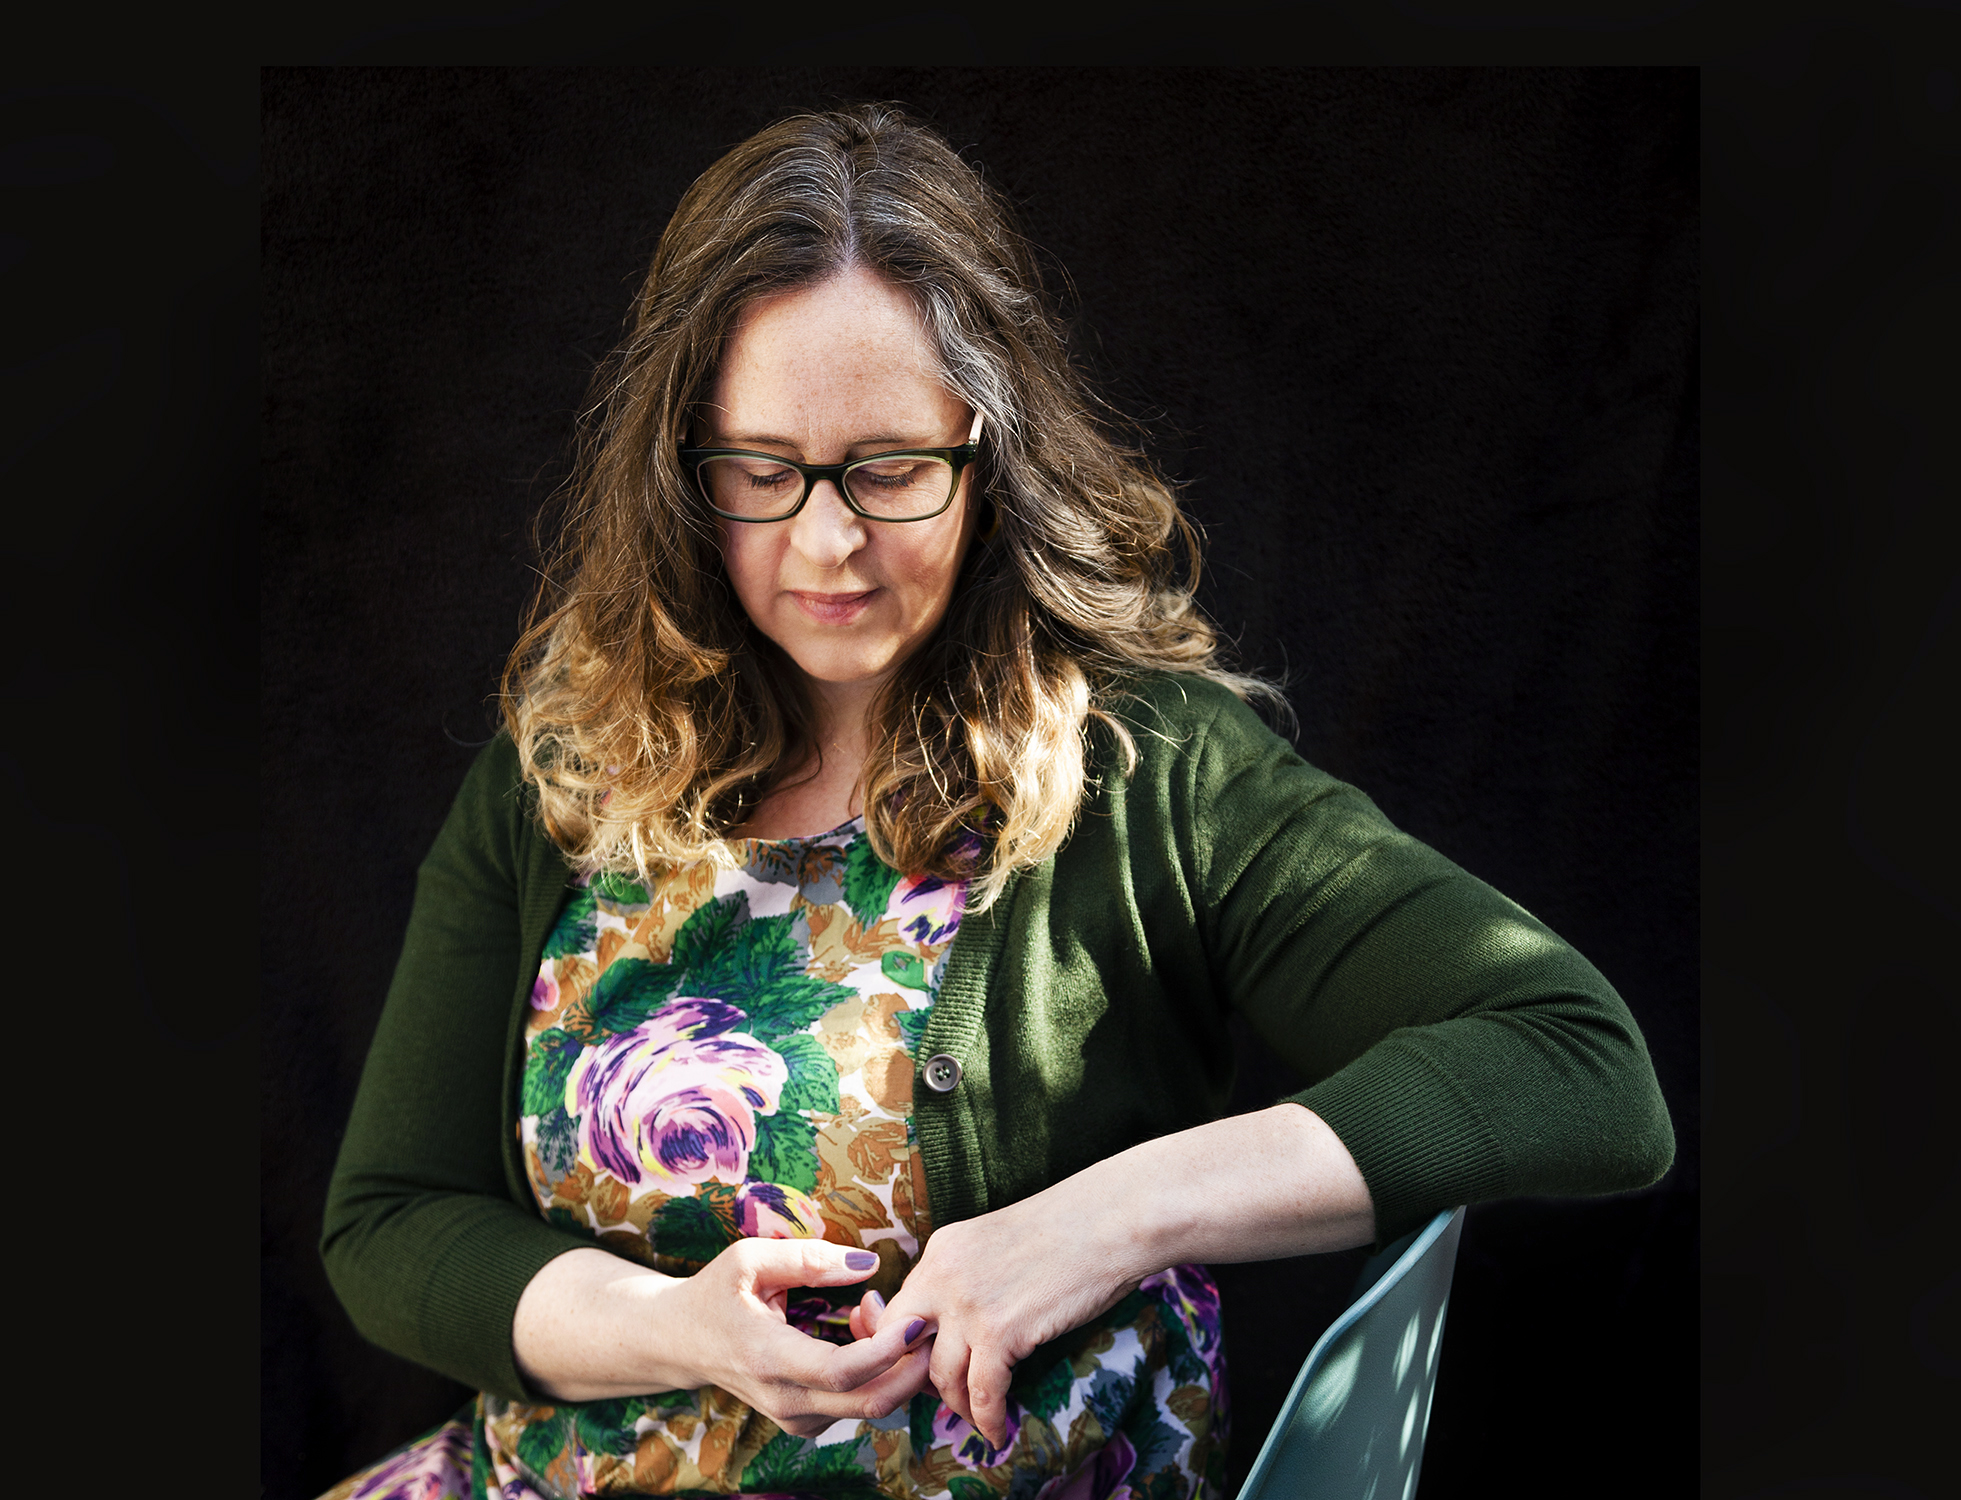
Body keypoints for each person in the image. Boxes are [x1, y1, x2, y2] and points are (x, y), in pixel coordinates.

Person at [319, 103, 1675, 1500]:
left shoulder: (1146, 770)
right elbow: (392, 1221)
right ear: (681, 473)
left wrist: (1106, 1219)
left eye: (891, 470)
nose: (827, 540)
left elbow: (1575, 1061)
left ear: (990, 451)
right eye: (762, 473)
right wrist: (681, 1328)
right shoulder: (568, 762)